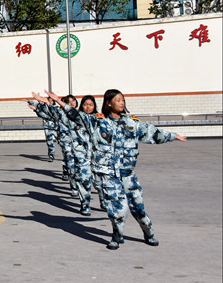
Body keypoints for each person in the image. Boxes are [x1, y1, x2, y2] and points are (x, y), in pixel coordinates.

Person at [45, 89, 187, 250]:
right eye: (118, 100)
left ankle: (149, 233)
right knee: (118, 210)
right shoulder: (97, 122)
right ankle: (117, 236)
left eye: (123, 100)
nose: (121, 102)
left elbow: (152, 133)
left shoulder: (131, 123)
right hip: (109, 175)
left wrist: (173, 136)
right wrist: (60, 102)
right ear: (108, 103)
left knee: (138, 210)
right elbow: (77, 116)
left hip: (128, 175)